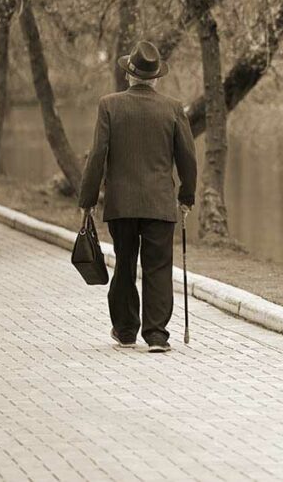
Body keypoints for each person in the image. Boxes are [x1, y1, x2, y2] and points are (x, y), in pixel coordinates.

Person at [78, 43, 197, 353]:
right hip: (159, 203)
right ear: (155, 78)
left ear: (129, 75)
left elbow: (97, 155)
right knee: (158, 267)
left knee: (125, 264)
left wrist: (88, 198)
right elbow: (188, 157)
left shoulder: (109, 105)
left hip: (122, 204)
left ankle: (126, 330)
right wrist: (187, 196)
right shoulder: (172, 108)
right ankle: (157, 335)